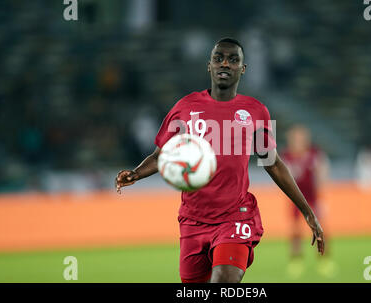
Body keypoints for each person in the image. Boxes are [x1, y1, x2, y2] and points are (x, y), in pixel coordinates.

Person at [115, 38, 324, 283]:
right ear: (209, 65)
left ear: (243, 68)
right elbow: (162, 154)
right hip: (193, 220)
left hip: (235, 216)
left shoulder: (256, 111)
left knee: (224, 280)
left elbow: (273, 162)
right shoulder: (185, 107)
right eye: (218, 58)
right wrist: (136, 174)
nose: (225, 63)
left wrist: (307, 212)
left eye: (233, 59)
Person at [281, 125, 335, 278]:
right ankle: (296, 261)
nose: (297, 141)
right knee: (295, 231)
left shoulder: (314, 153)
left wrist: (322, 190)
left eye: (300, 138)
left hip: (313, 197)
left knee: (321, 229)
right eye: (295, 138)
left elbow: (323, 171)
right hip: (296, 198)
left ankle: (324, 260)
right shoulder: (286, 155)